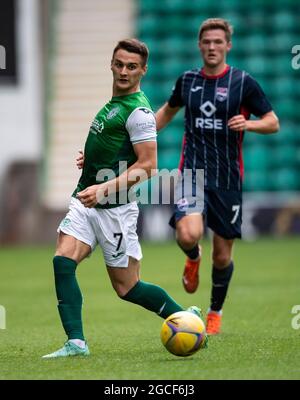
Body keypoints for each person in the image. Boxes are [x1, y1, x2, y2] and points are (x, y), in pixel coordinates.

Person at [43, 39, 205, 358]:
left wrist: (103, 187)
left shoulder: (140, 112)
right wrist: (90, 159)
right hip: (85, 201)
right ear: (112, 63)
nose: (124, 71)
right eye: (119, 64)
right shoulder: (114, 103)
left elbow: (148, 166)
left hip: (113, 209)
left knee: (127, 288)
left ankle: (187, 318)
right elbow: (117, 146)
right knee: (62, 261)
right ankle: (76, 342)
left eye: (132, 66)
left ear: (143, 70)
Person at [155, 19, 279, 335]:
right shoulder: (187, 81)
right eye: (207, 42)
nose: (212, 47)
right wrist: (139, 136)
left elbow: (273, 122)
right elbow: (167, 113)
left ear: (227, 46)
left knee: (222, 256)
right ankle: (193, 257)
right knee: (187, 234)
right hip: (192, 173)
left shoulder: (243, 82)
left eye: (218, 42)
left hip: (227, 179)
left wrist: (249, 124)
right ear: (199, 45)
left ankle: (214, 312)